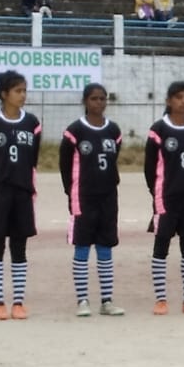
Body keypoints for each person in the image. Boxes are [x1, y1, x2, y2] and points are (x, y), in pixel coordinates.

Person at [0, 70, 41, 320]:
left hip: (23, 191)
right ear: (4, 94)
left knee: (19, 247)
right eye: (18, 91)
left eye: (24, 90)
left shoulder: (32, 123)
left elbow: (32, 158)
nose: (23, 95)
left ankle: (19, 302)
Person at [58, 83, 125, 317]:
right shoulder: (75, 131)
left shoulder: (113, 131)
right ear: (86, 101)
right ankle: (82, 300)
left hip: (108, 196)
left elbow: (114, 156)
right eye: (94, 99)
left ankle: (106, 300)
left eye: (103, 99)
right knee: (83, 245)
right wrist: (72, 192)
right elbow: (65, 166)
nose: (99, 103)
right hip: (83, 197)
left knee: (106, 246)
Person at [144, 80, 184, 315]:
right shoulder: (159, 129)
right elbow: (150, 167)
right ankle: (161, 299)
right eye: (179, 97)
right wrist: (158, 192)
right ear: (169, 100)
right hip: (166, 197)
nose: (183, 101)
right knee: (162, 244)